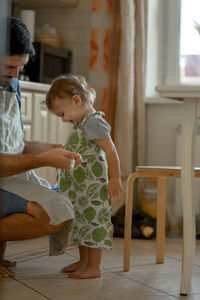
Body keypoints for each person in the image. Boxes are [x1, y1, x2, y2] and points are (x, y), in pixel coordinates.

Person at [0, 17, 82, 278]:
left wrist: (45, 147)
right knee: (46, 214)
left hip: (9, 177)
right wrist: (45, 159)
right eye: (7, 67)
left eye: (20, 67)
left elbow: (13, 144)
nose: (14, 75)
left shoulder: (11, 85)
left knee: (63, 204)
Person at [46, 74, 123, 279]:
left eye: (63, 114)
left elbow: (111, 151)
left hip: (94, 189)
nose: (63, 119)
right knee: (82, 222)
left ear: (77, 101)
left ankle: (94, 266)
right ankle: (84, 261)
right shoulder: (80, 124)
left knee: (93, 223)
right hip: (81, 188)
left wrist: (115, 178)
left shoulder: (93, 122)